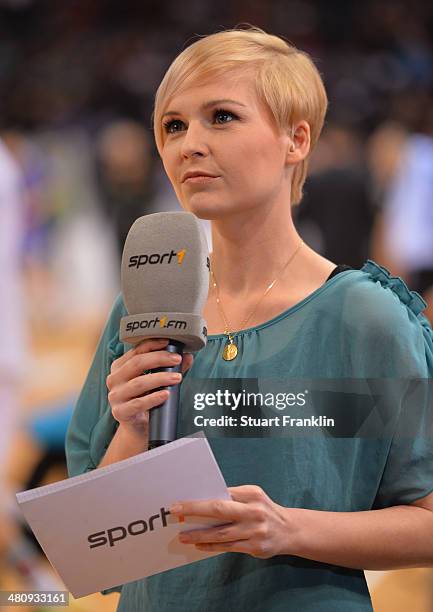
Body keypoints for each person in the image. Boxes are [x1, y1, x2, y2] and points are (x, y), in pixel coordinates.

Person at [66, 26, 433, 612]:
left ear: (296, 140)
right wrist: (134, 429)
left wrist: (288, 529)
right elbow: (93, 544)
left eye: (223, 117)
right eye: (174, 125)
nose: (189, 145)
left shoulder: (364, 315)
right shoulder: (143, 308)